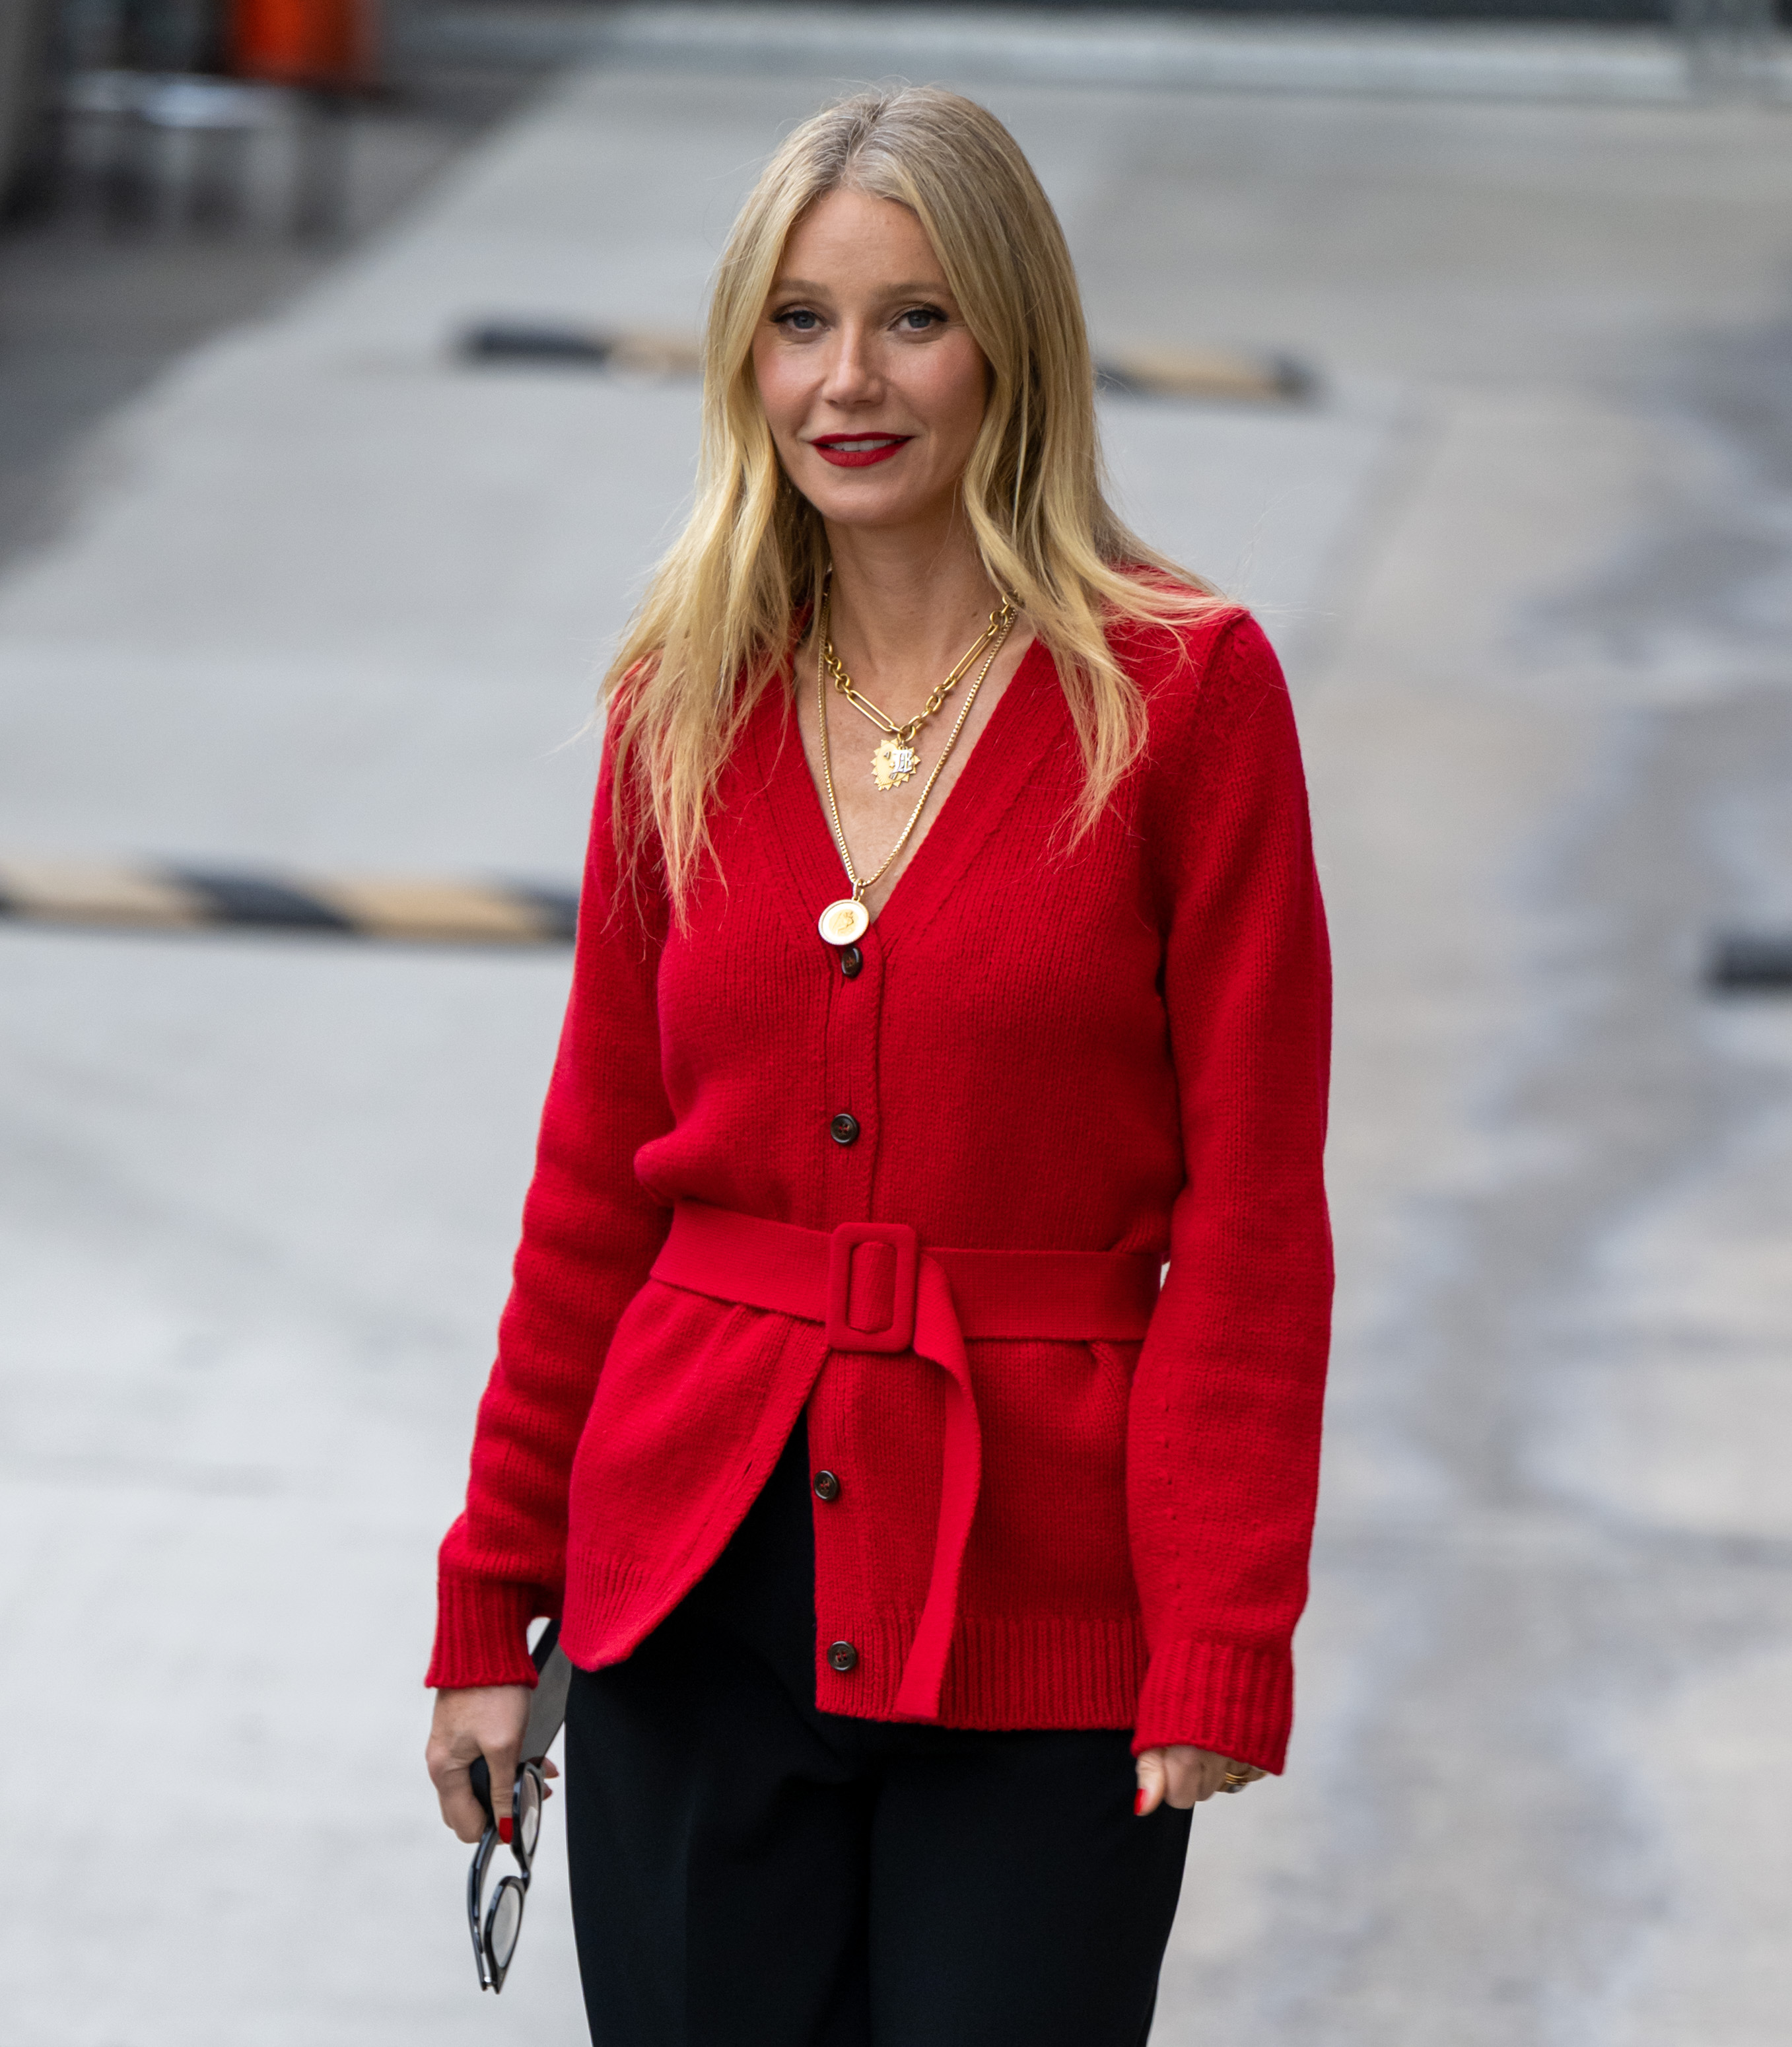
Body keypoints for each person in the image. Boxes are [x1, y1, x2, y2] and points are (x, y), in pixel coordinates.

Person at [425, 85, 1332, 2047]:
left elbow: (1253, 1211)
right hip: (687, 1589)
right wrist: (489, 1601)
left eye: (915, 317)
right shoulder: (681, 697)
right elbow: (593, 1181)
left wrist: (1218, 1637)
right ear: (745, 354)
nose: (852, 378)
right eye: (800, 320)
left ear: (1013, 342)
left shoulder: (1186, 696)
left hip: (1040, 1617)